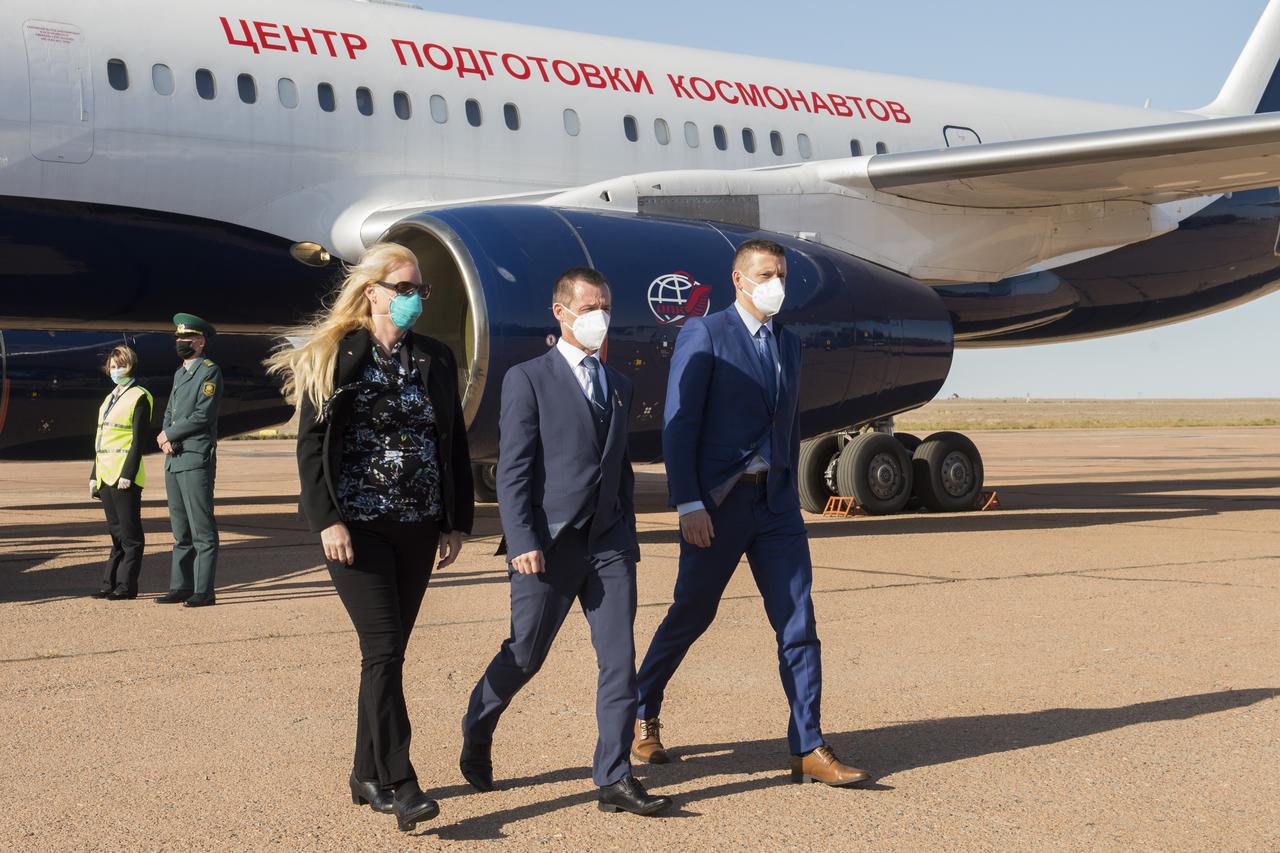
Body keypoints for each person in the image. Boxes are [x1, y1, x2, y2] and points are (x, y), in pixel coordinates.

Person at [633, 239, 870, 787]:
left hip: (776, 505)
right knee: (692, 614)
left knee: (798, 624)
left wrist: (790, 482)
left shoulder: (789, 343)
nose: (777, 284)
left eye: (781, 274)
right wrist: (690, 501)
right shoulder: (705, 333)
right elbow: (680, 422)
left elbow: (785, 423)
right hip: (719, 503)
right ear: (739, 280)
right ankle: (643, 708)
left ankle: (808, 744)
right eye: (767, 274)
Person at [266, 242, 474, 833]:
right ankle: (402, 783)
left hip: (417, 526)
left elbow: (452, 442)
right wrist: (325, 518)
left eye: (420, 291)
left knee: (386, 657)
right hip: (356, 530)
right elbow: (311, 444)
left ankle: (363, 772)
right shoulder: (336, 353)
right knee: (382, 651)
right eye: (404, 288)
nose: (414, 299)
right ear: (372, 291)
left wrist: (455, 521)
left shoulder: (435, 358)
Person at [459, 267, 671, 816]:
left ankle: (614, 777)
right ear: (562, 312)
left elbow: (618, 468)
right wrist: (524, 537)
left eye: (606, 306)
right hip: (548, 546)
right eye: (590, 306)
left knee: (619, 660)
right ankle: (478, 725)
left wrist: (624, 530)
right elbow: (514, 470)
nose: (601, 316)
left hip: (608, 546)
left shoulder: (619, 385)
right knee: (526, 654)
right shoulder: (527, 378)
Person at [155, 314, 222, 608]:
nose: (182, 343)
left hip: (195, 457)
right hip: (174, 458)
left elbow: (202, 415)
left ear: (201, 341)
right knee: (180, 529)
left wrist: (168, 433)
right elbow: (171, 409)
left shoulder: (209, 372)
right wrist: (166, 436)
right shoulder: (179, 374)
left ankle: (204, 590)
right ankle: (180, 586)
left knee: (201, 529)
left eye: (187, 338)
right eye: (179, 339)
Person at [90, 345, 154, 600]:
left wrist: (129, 472)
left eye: (121, 366)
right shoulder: (109, 399)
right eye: (113, 366)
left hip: (124, 475)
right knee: (115, 534)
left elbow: (139, 441)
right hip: (106, 474)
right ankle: (109, 584)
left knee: (130, 536)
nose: (116, 370)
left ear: (131, 366)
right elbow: (100, 440)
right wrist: (94, 474)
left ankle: (126, 587)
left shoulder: (139, 396)